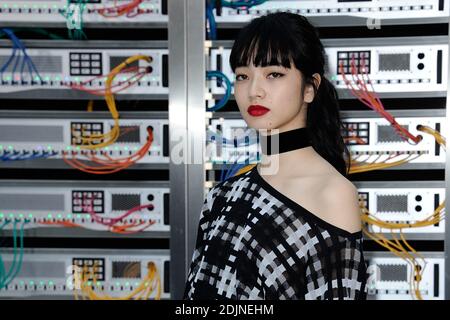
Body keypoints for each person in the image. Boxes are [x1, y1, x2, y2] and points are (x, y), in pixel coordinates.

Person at [184, 12, 368, 300]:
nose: (254, 91)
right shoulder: (222, 196)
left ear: (310, 88)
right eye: (243, 76)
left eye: (274, 74)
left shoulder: (333, 194)